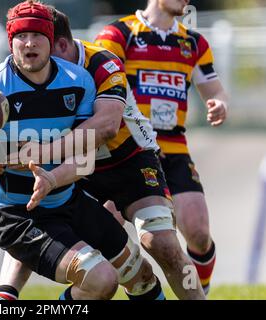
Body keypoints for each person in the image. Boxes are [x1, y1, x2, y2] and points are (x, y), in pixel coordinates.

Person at [0, 7, 204, 300]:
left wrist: (41, 152)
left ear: (59, 44)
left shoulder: (102, 63)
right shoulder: (29, 71)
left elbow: (106, 127)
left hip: (128, 160)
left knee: (160, 243)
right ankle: (7, 294)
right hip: (75, 165)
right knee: (41, 212)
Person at [0, 0, 156, 300]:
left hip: (68, 201)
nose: (29, 43)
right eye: (20, 36)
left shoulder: (78, 82)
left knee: (140, 275)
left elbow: (84, 159)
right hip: (19, 217)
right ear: (10, 41)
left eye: (37, 35)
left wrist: (52, 179)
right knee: (101, 279)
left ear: (51, 39)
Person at [94, 0, 229, 294]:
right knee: (107, 238)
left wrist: (219, 103)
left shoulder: (194, 42)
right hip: (127, 153)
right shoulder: (119, 33)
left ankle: (198, 294)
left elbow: (214, 89)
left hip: (174, 149)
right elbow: (98, 82)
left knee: (199, 233)